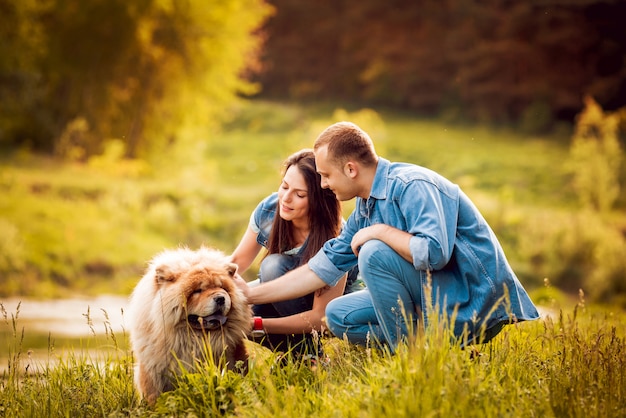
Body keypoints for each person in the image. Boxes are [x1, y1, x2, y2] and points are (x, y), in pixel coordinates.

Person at [235, 121, 539, 353]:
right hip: (428, 300)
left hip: (470, 301)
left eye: (326, 175)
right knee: (338, 315)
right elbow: (321, 268)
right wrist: (247, 296)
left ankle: (410, 361)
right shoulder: (366, 210)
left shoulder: (412, 185)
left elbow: (434, 253)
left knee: (373, 251)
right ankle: (427, 347)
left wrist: (380, 232)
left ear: (351, 169)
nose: (324, 185)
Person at [230, 149, 359, 355]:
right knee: (230, 310)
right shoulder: (269, 211)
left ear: (319, 200)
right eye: (284, 186)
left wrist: (258, 324)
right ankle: (294, 356)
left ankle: (309, 354)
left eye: (299, 194)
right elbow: (235, 263)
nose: (286, 199)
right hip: (281, 293)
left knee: (272, 266)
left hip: (328, 307)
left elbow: (321, 317)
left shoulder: (336, 237)